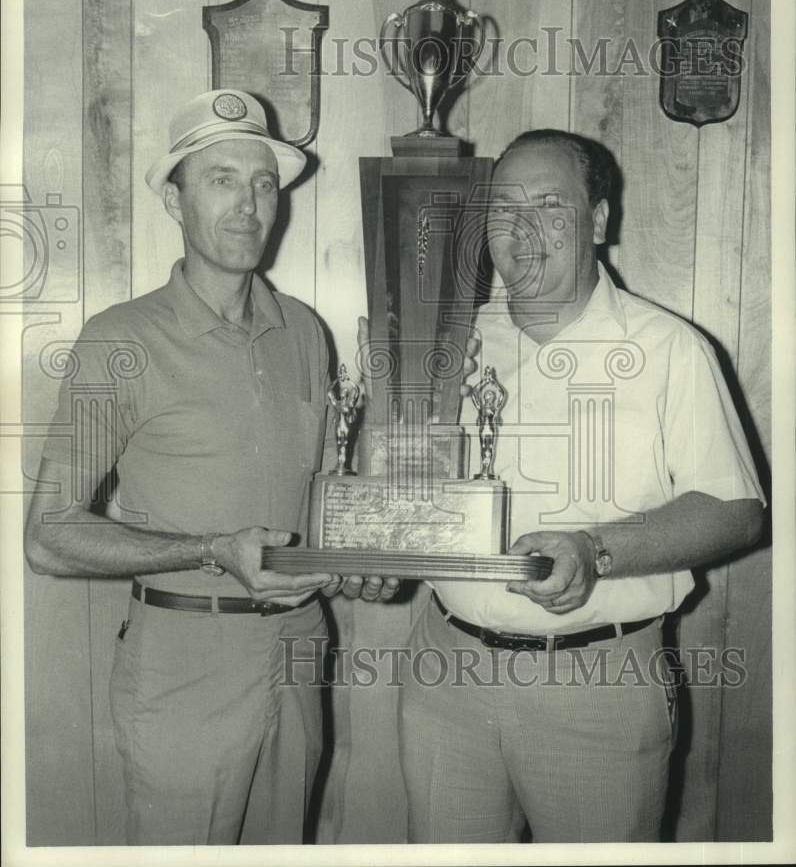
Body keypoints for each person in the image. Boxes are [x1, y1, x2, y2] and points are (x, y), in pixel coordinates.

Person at [24, 89, 398, 845]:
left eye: (264, 184)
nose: (249, 205)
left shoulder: (303, 332)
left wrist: (361, 557)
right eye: (221, 179)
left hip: (298, 649)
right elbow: (48, 536)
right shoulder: (119, 340)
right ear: (174, 198)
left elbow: (323, 498)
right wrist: (209, 551)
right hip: (182, 663)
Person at [397, 129, 765, 843]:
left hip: (597, 682)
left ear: (597, 221)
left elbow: (737, 512)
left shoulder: (668, 349)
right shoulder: (448, 342)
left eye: (550, 207)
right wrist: (381, 551)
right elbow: (411, 491)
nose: (524, 229)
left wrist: (593, 549)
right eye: (504, 208)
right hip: (445, 672)